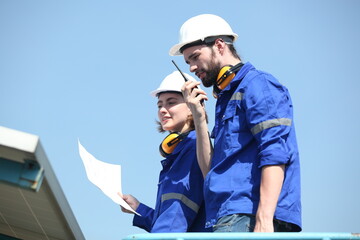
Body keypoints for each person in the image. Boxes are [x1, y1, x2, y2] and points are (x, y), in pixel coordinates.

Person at [169, 14, 301, 232]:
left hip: (250, 215)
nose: (191, 68)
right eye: (188, 62)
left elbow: (276, 152)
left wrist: (264, 219)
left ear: (219, 45)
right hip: (226, 215)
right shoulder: (226, 98)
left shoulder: (258, 84)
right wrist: (200, 119)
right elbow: (209, 171)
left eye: (195, 57)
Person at [120, 71, 209, 232]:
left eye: (171, 102)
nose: (162, 110)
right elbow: (171, 216)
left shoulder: (192, 145)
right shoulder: (182, 148)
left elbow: (176, 216)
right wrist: (138, 208)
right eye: (160, 105)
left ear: (192, 106)